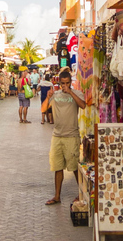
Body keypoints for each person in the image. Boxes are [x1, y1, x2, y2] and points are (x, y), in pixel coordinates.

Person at [43, 68, 86, 205]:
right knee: (57, 166)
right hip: (57, 136)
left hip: (72, 136)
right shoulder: (55, 95)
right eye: (62, 83)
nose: (65, 86)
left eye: (67, 83)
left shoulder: (77, 93)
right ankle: (57, 196)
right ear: (59, 83)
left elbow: (83, 105)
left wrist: (71, 92)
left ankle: (82, 194)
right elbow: (43, 109)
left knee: (74, 168)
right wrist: (47, 97)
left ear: (71, 82)